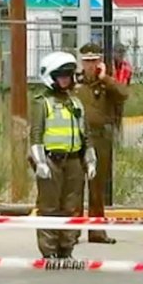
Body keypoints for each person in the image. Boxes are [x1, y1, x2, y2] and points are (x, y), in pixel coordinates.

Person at [29, 51, 96, 259]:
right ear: (51, 77)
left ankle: (67, 250)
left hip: (74, 162)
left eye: (68, 75)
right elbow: (36, 136)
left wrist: (90, 160)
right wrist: (40, 162)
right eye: (61, 76)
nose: (65, 80)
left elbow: (86, 136)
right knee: (49, 208)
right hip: (51, 161)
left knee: (73, 208)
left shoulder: (76, 103)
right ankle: (49, 252)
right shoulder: (43, 103)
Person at [75, 42, 130, 244]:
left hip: (100, 139)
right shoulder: (75, 83)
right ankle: (73, 232)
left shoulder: (107, 84)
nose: (90, 65)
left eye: (94, 61)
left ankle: (97, 231)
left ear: (100, 62)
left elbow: (124, 94)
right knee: (75, 186)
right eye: (87, 61)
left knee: (97, 187)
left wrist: (104, 78)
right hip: (77, 139)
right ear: (81, 62)